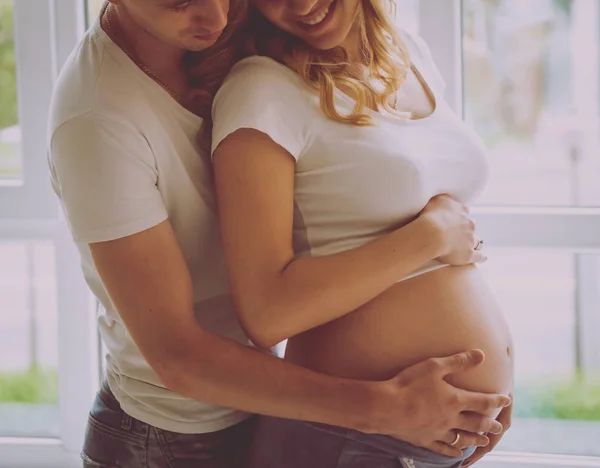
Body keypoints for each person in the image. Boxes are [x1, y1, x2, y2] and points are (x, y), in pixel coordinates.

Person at [47, 0, 511, 467]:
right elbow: (177, 356)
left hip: (285, 403)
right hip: (176, 437)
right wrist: (389, 409)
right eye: (181, 2)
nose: (217, 18)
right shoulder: (97, 122)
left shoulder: (243, 47)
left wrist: (479, 402)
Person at [209, 0, 515, 466]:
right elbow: (267, 311)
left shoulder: (408, 52)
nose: (302, 5)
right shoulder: (260, 89)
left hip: (432, 438)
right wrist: (428, 238)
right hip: (349, 439)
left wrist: (488, 398)